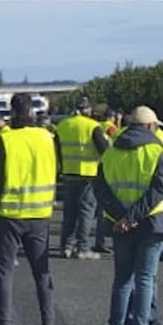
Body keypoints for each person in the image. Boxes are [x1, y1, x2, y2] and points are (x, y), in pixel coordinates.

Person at [94, 106, 163, 325]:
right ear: (150, 126)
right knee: (145, 279)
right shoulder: (156, 151)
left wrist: (121, 217)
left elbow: (101, 189)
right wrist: (133, 216)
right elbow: (158, 191)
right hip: (151, 222)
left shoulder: (111, 152)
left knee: (122, 278)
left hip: (119, 223)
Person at [0, 96, 58, 325]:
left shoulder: (6, 139)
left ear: (12, 112)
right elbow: (56, 169)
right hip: (40, 213)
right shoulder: (47, 138)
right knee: (42, 273)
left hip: (9, 214)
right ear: (33, 111)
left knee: (5, 273)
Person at [55, 100, 108, 258]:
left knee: (69, 211)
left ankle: (66, 246)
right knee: (86, 211)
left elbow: (57, 149)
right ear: (88, 110)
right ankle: (83, 247)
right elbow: (105, 150)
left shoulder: (62, 125)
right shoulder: (92, 126)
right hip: (88, 173)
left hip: (68, 172)